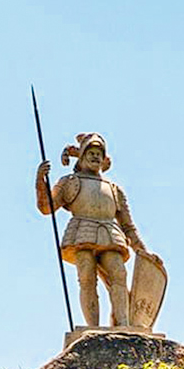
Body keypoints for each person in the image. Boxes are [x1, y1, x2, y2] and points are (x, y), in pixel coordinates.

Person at [35, 132, 162, 327]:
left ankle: (123, 324)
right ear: (82, 155)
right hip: (82, 231)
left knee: (118, 274)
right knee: (86, 276)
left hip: (111, 235)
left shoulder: (113, 188)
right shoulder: (70, 181)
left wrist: (143, 251)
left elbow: (128, 227)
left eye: (99, 153)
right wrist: (41, 183)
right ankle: (92, 327)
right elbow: (47, 207)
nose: (95, 156)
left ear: (104, 159)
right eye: (91, 152)